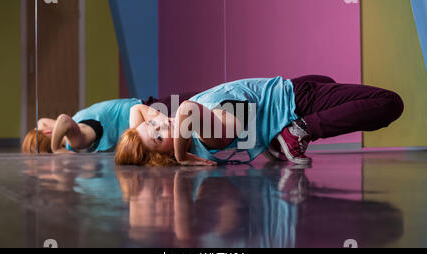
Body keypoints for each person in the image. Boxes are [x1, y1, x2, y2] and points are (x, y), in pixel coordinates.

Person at [115, 75, 404, 166]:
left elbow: (139, 112)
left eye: (154, 123)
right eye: (157, 136)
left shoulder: (186, 133)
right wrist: (181, 157)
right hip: (292, 100)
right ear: (161, 156)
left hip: (282, 93)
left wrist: (140, 128)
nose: (161, 124)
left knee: (326, 81)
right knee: (390, 104)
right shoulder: (205, 135)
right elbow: (187, 111)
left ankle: (281, 139)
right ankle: (297, 132)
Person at [22, 92, 199, 154]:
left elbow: (47, 121)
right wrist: (55, 146)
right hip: (151, 116)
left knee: (204, 112)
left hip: (149, 113)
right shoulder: (74, 140)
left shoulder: (75, 130)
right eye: (43, 129)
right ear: (47, 133)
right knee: (203, 106)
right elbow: (63, 120)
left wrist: (50, 145)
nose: (43, 124)